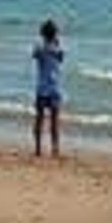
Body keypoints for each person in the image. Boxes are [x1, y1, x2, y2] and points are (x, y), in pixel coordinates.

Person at [32, 19, 65, 157]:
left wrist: (43, 43)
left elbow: (34, 55)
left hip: (41, 89)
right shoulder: (58, 50)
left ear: (43, 34)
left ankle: (38, 148)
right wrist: (56, 43)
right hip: (54, 89)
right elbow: (61, 58)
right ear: (55, 34)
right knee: (54, 121)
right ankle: (55, 149)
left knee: (39, 119)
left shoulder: (40, 49)